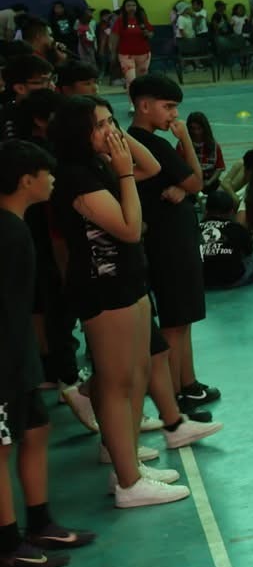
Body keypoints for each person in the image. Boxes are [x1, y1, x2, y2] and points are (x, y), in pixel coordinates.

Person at [48, 97, 194, 507]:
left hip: (129, 280)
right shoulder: (77, 177)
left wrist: (119, 138)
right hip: (103, 287)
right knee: (116, 382)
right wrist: (124, 172)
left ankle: (128, 464)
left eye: (111, 121)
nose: (110, 130)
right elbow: (130, 228)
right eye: (99, 125)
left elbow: (151, 168)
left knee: (138, 371)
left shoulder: (100, 164)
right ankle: (128, 482)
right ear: (78, 134)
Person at [0, 140, 94, 567]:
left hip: (19, 357)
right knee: (0, 447)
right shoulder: (7, 233)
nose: (53, 180)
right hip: (4, 362)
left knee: (35, 431)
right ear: (26, 180)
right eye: (46, 173)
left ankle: (40, 522)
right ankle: (6, 544)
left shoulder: (19, 226)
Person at [128, 75, 220, 418]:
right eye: (168, 107)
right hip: (167, 242)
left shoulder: (143, 142)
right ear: (144, 105)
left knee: (183, 318)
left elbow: (186, 187)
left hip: (174, 238)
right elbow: (196, 181)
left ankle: (189, 384)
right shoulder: (153, 144)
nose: (173, 115)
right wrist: (186, 143)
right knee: (175, 319)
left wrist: (183, 191)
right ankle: (177, 392)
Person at [113, 0, 152, 89]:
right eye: (128, 5)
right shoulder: (120, 21)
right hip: (126, 55)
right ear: (125, 8)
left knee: (142, 81)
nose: (131, 8)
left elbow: (151, 34)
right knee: (131, 80)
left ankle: (141, 101)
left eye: (133, 5)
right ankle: (132, 103)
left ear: (137, 7)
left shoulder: (142, 19)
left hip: (143, 54)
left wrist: (147, 33)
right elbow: (114, 37)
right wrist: (113, 53)